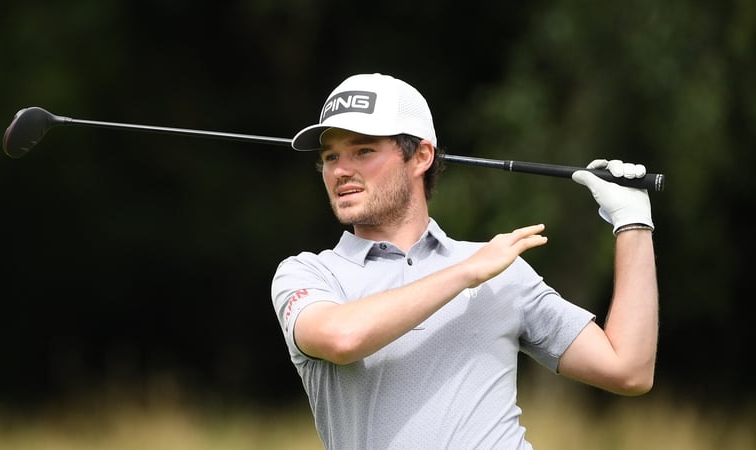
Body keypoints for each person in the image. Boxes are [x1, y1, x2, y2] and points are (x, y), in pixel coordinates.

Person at [270, 73, 658, 449]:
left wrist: (633, 223)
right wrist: (466, 274)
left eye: (363, 151)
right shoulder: (308, 274)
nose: (340, 170)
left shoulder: (499, 268)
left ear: (421, 155)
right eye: (330, 156)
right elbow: (341, 338)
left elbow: (628, 370)